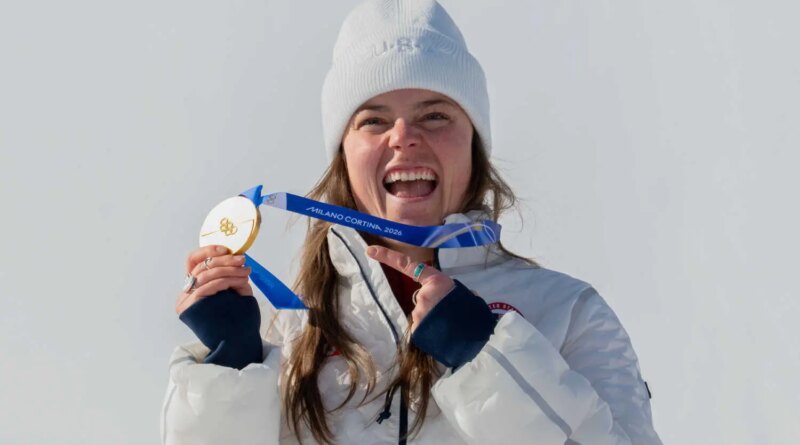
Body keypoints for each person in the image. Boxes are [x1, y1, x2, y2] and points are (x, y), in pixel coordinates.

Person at [161, 1, 663, 444]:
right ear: (344, 157)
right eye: (374, 120)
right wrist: (228, 370)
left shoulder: (567, 313)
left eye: (436, 115)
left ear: (475, 145)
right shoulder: (290, 336)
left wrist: (487, 358)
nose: (403, 137)